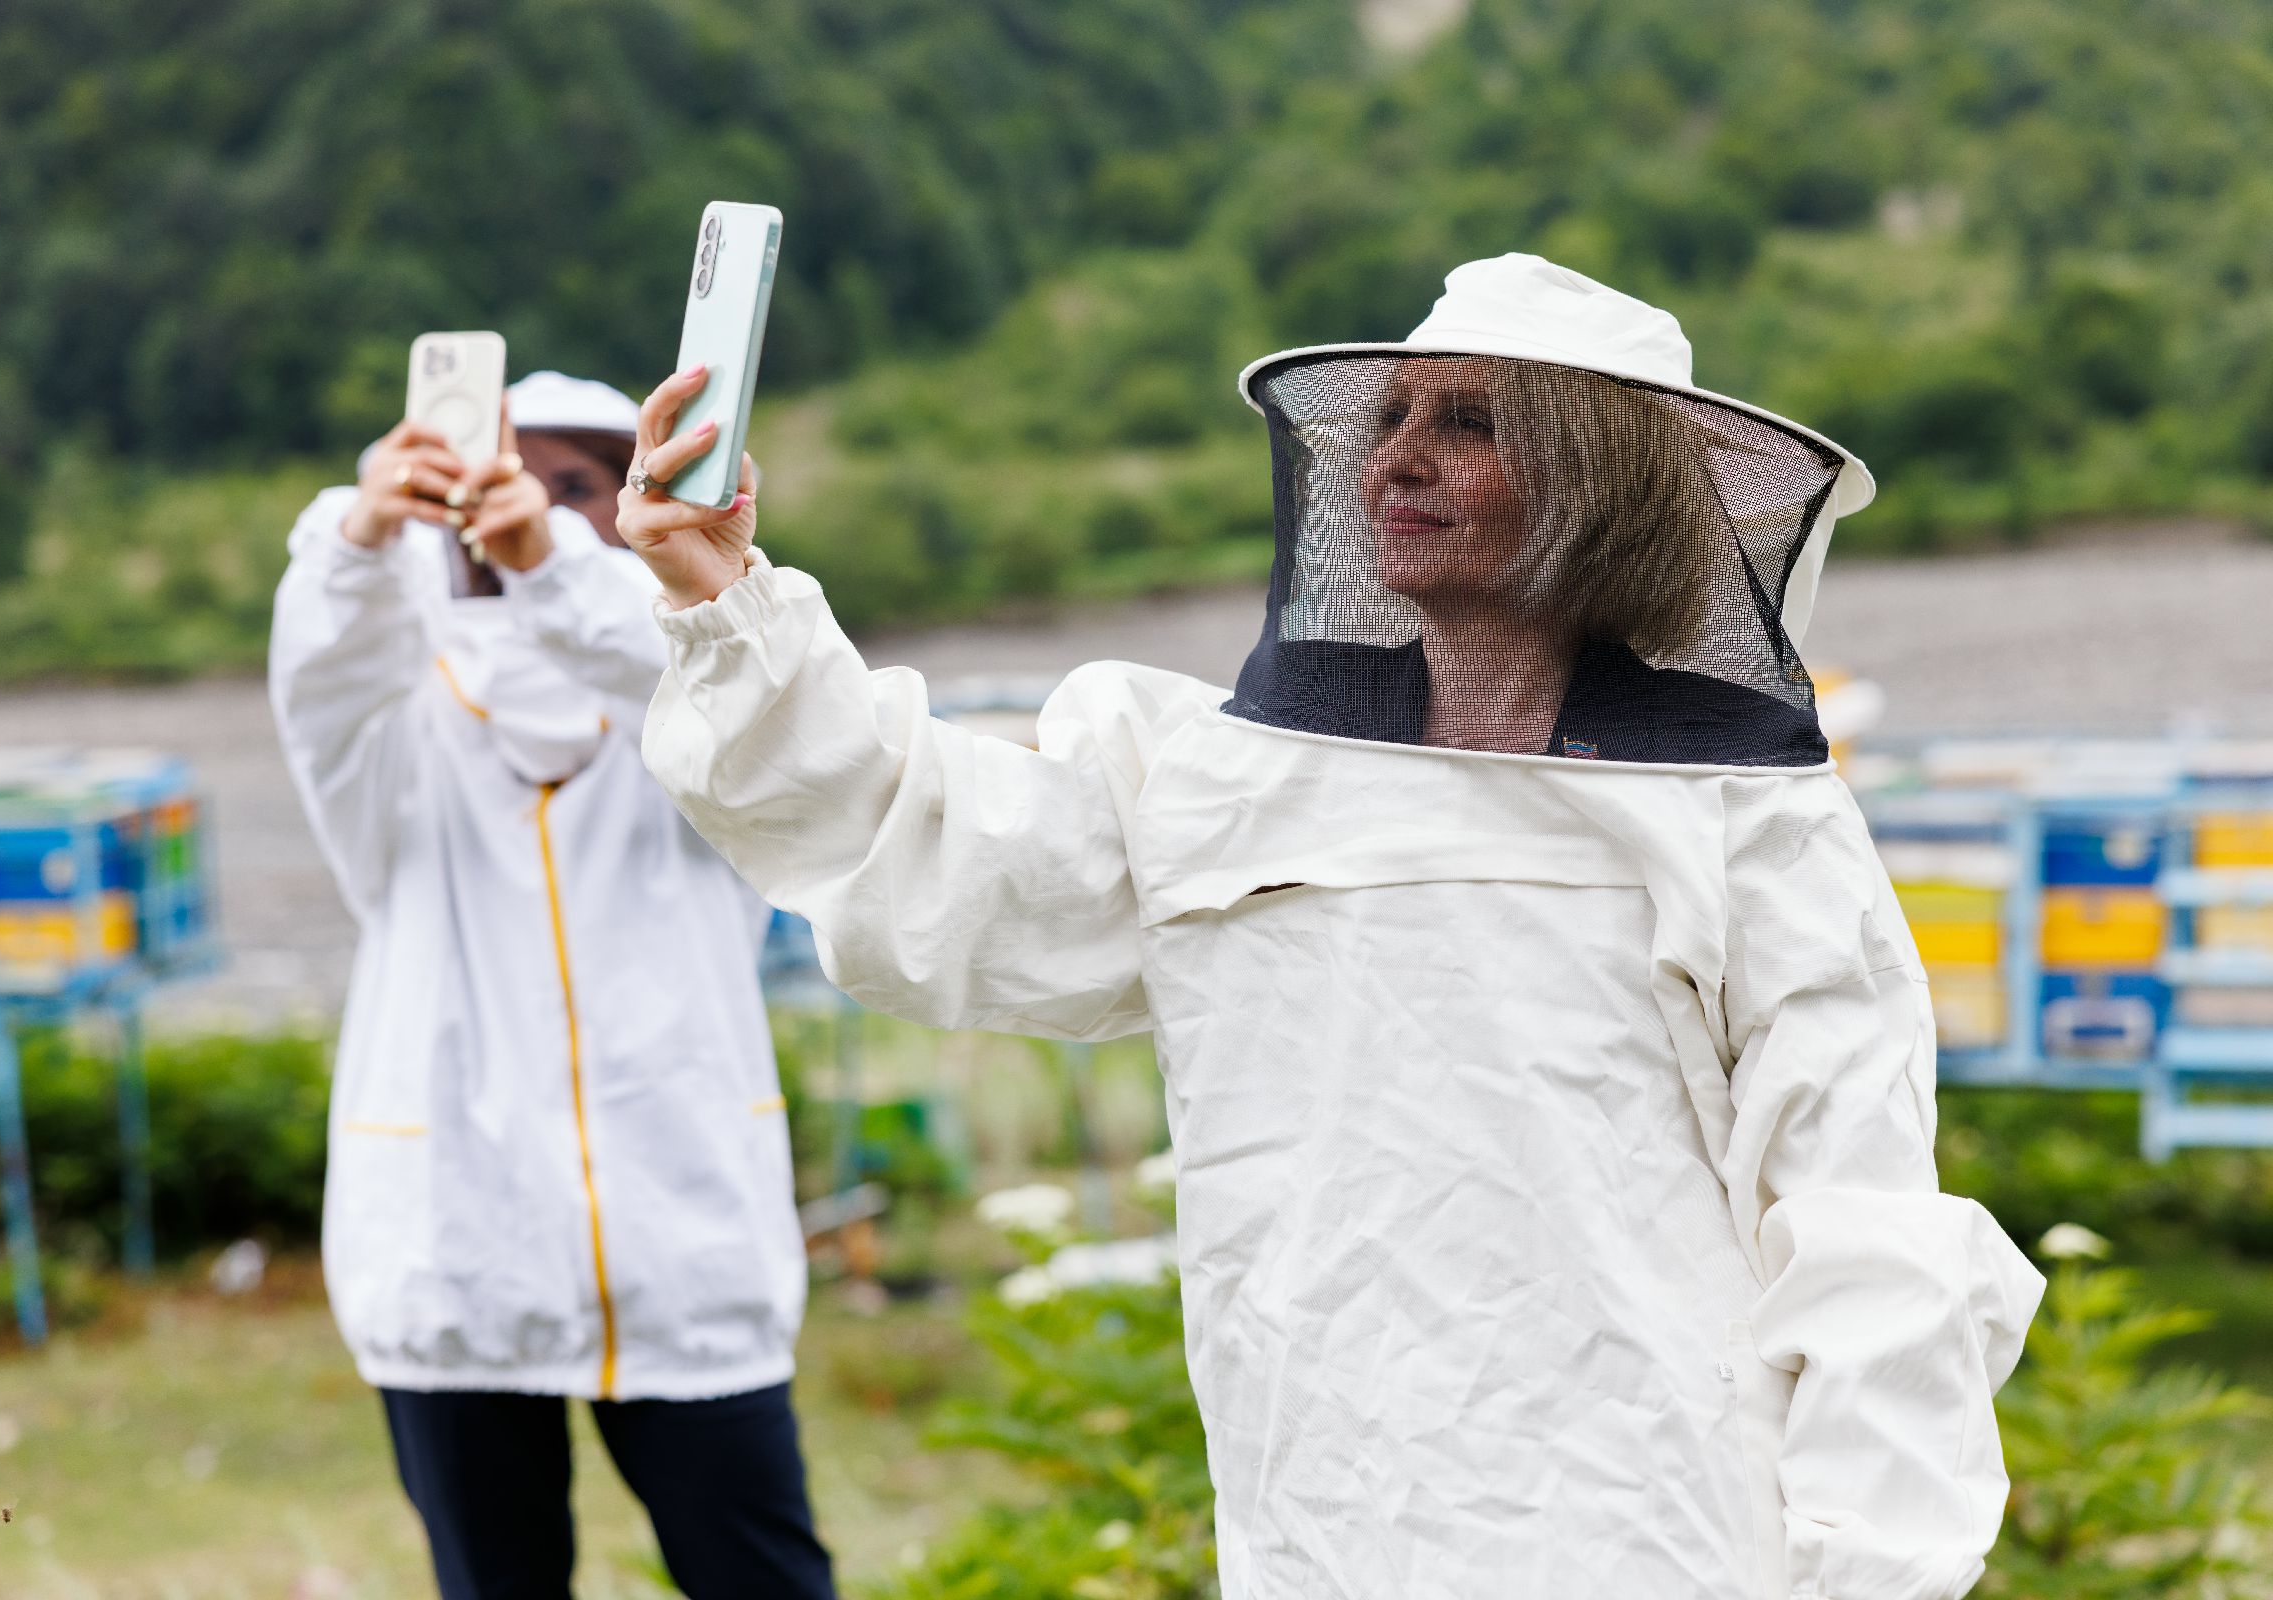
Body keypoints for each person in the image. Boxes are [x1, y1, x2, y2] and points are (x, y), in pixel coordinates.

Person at [617, 255, 2046, 1600]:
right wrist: (721, 592)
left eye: (1469, 423)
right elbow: (919, 845)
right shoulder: (1215, 780)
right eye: (1391, 418)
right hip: (1324, 1526)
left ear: (1604, 493)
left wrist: (1866, 1571)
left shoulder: (1753, 829)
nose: (1397, 459)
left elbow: (1865, 1239)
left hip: (1660, 1536)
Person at [268, 369, 835, 1600]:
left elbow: (698, 677)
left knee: (766, 1576)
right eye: (497, 475)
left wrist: (547, 567)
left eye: (580, 484)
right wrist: (359, 538)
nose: (526, 501)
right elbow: (321, 668)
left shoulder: (701, 725)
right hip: (456, 1250)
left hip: (682, 1245)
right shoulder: (390, 737)